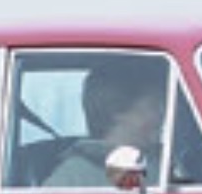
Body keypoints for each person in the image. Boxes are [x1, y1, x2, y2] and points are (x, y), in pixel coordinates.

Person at [43, 58, 169, 187]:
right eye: (154, 106)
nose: (162, 115)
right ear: (118, 111)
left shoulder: (163, 165)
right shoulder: (72, 177)